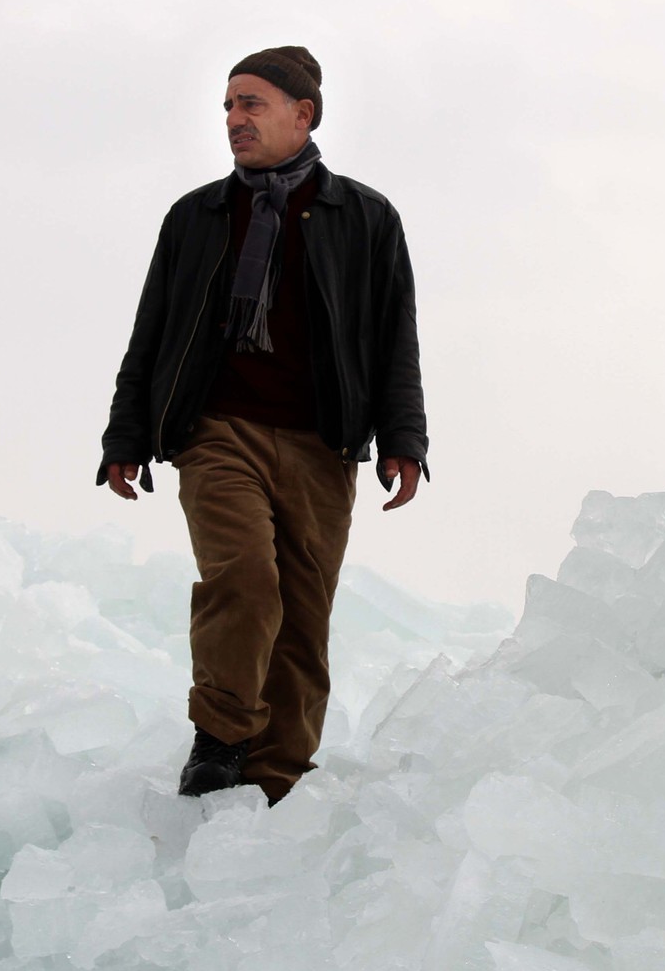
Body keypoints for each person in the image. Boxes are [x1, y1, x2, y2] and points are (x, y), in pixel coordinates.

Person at [97, 45, 429, 804]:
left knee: (303, 620)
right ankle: (218, 737)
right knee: (244, 579)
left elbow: (392, 336)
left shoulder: (366, 217)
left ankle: (274, 781)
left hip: (322, 443)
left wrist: (404, 438)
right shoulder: (196, 216)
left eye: (250, 103)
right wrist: (125, 435)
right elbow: (150, 334)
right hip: (216, 429)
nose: (233, 119)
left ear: (301, 113)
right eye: (226, 106)